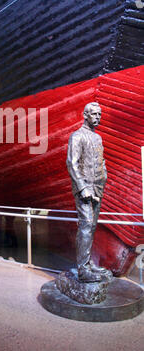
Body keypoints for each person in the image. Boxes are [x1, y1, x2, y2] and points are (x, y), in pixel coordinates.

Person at [67, 102, 109, 283]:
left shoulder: (97, 138)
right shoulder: (77, 136)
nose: (98, 118)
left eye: (99, 114)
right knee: (85, 226)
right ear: (85, 115)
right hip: (84, 188)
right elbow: (72, 163)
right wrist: (83, 188)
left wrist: (103, 178)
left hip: (98, 187)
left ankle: (88, 263)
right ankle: (83, 271)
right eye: (94, 114)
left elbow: (101, 161)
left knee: (91, 227)